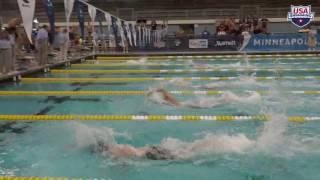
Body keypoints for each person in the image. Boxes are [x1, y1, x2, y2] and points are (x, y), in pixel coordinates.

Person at [146, 88, 261, 108]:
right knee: (221, 100)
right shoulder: (176, 104)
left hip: (197, 106)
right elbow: (167, 97)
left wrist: (158, 91)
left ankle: (243, 99)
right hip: (196, 104)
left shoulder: (176, 105)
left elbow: (167, 97)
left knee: (223, 101)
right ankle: (231, 97)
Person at [93, 142, 175, 160]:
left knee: (174, 157)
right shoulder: (118, 147)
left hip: (148, 153)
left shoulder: (116, 152)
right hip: (149, 150)